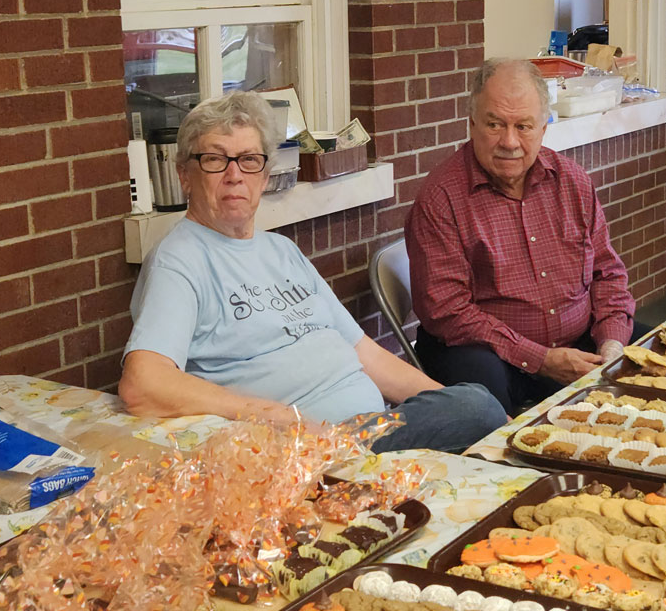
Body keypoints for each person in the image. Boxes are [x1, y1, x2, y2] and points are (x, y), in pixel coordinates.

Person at [120, 92, 505, 452]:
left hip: (370, 427)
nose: (235, 175)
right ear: (185, 174)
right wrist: (269, 415)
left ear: (265, 176)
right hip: (310, 448)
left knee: (478, 405)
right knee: (479, 407)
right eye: (215, 159)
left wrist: (443, 403)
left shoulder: (281, 250)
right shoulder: (179, 260)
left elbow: (363, 352)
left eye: (249, 160)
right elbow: (142, 383)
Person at [404, 59, 635, 414]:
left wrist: (611, 345)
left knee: (655, 355)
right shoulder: (441, 199)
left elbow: (608, 274)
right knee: (482, 397)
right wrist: (541, 359)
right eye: (495, 124)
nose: (509, 142)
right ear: (471, 124)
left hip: (579, 343)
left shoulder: (571, 181)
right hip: (490, 354)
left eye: (523, 126)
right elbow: (448, 313)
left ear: (544, 128)